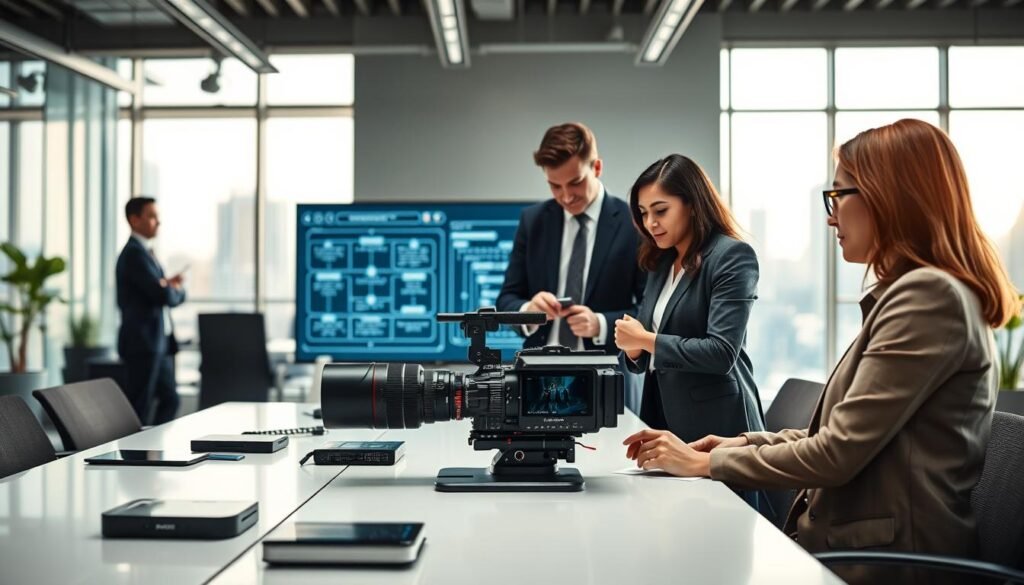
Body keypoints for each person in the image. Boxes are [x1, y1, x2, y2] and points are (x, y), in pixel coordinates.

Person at [622, 120, 1020, 585]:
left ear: (886, 196)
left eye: (837, 197)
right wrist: (737, 443)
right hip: (860, 545)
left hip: (883, 563)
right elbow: (840, 435)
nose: (831, 217)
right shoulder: (917, 295)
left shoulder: (928, 299)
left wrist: (705, 463)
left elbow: (837, 453)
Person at [613, 154, 765, 444]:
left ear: (693, 205)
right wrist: (634, 350)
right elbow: (646, 349)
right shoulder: (660, 262)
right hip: (662, 417)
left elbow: (721, 353)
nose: (650, 223)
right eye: (643, 213)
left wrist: (644, 340)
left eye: (660, 211)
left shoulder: (732, 256)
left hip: (719, 424)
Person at [496, 122, 645, 363]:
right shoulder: (532, 221)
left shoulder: (635, 223)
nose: (566, 196)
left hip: (608, 371)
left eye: (576, 182)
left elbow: (651, 308)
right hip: (539, 372)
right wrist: (529, 312)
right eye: (555, 186)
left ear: (596, 167)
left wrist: (601, 325)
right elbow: (507, 299)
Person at [116, 197, 186, 425]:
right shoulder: (134, 254)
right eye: (152, 216)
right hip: (142, 344)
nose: (158, 222)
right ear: (134, 220)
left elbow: (164, 290)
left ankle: (150, 449)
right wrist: (172, 288)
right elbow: (161, 294)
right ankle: (134, 457)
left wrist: (170, 286)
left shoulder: (145, 253)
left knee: (171, 399)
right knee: (139, 407)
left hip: (157, 343)